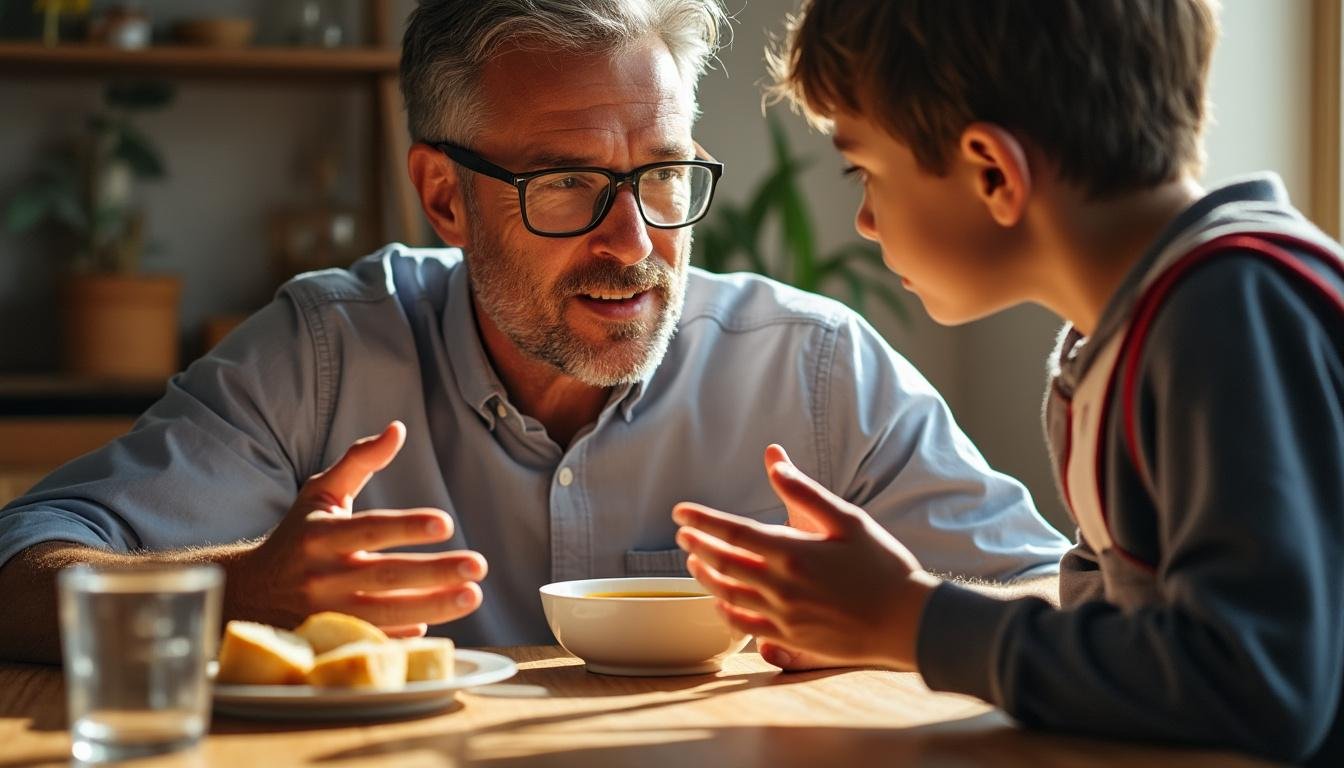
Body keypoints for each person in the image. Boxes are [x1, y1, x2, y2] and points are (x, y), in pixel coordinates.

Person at [0, 0, 1068, 665]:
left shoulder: (815, 370)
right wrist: (241, 592)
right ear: (444, 196)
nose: (635, 239)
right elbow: (19, 574)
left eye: (661, 175)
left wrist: (900, 615)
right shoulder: (324, 358)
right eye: (568, 184)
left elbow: (1054, 601)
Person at [671, 0, 1343, 764]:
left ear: (993, 171)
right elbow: (1129, 642)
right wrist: (878, 622)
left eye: (864, 170)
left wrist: (911, 621)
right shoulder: (1116, 342)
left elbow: (1258, 686)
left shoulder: (1229, 310)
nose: (862, 220)